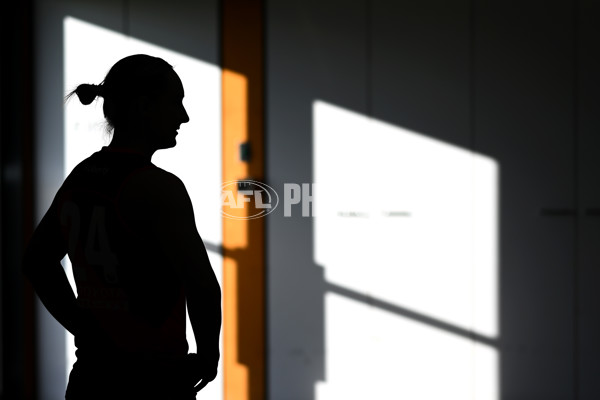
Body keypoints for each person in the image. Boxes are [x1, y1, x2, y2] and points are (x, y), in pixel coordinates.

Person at [22, 54, 221, 399]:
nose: (184, 116)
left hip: (92, 377)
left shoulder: (82, 177)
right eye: (176, 103)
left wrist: (82, 325)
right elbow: (202, 285)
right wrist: (207, 357)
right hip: (151, 380)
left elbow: (36, 261)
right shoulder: (158, 188)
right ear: (143, 106)